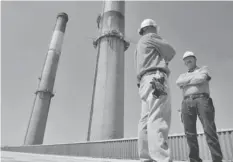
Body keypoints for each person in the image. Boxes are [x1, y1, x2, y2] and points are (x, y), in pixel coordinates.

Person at [134, 19, 176, 162]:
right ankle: (161, 158)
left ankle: (145, 157)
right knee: (159, 115)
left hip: (144, 82)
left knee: (145, 119)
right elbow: (170, 52)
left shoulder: (139, 45)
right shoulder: (151, 37)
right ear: (151, 27)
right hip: (156, 79)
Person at [176, 51, 223, 162]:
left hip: (202, 99)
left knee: (209, 129)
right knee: (189, 133)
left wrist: (186, 82)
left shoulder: (203, 69)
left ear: (195, 59)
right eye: (185, 60)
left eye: (190, 58)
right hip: (186, 102)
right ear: (184, 63)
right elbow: (178, 82)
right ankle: (194, 159)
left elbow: (201, 78)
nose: (188, 60)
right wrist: (192, 79)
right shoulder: (182, 75)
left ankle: (217, 159)